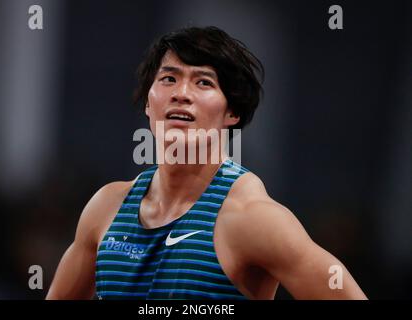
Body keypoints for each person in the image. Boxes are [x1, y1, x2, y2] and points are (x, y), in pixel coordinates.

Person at [46, 26, 367, 300]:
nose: (181, 93)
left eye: (203, 82)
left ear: (233, 112)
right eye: (169, 78)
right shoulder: (106, 209)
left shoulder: (253, 219)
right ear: (148, 101)